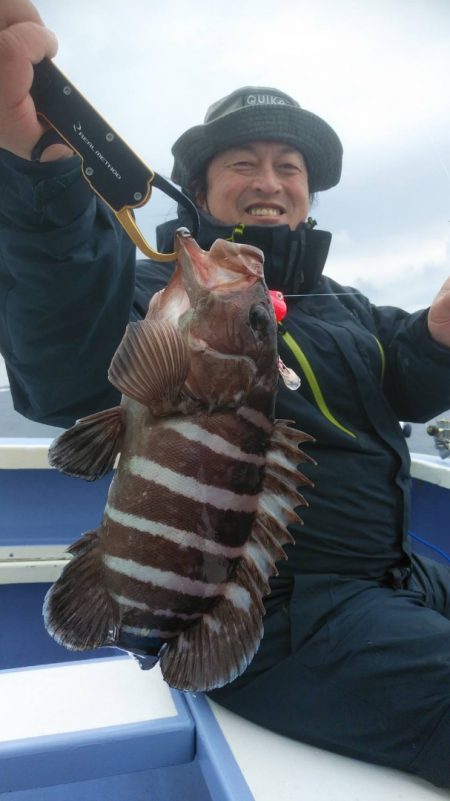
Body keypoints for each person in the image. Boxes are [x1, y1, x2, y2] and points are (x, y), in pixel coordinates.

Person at [1, 1, 450, 789]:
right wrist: (42, 180)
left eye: (290, 166)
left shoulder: (346, 309)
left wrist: (442, 333)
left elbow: (406, 373)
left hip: (397, 571)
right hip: (275, 616)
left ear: (309, 191)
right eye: (243, 162)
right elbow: (63, 352)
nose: (270, 181)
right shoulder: (149, 294)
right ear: (201, 189)